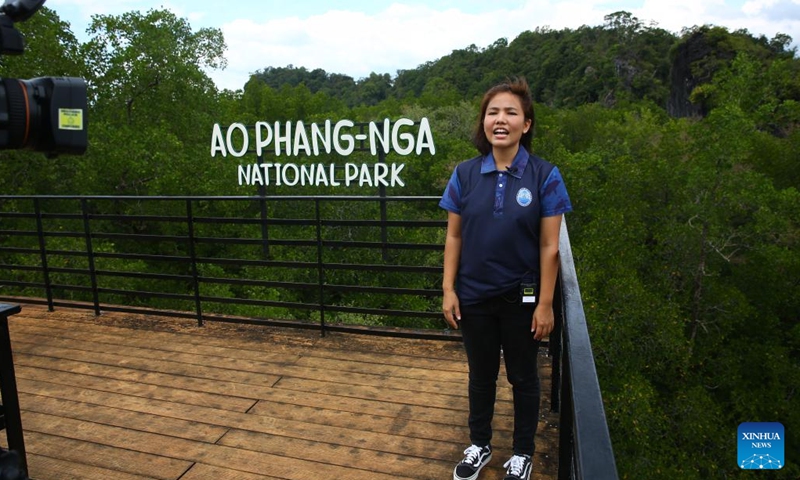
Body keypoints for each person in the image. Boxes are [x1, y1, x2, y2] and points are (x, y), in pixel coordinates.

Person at [439, 77, 572, 480]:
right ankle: (479, 444)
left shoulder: (545, 176)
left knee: (523, 377)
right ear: (483, 122)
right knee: (481, 376)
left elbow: (550, 246)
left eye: (511, 113)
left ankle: (522, 453)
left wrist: (545, 303)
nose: (500, 119)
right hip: (474, 296)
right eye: (492, 112)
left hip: (522, 297)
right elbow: (454, 235)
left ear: (526, 124)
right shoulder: (464, 174)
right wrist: (448, 289)